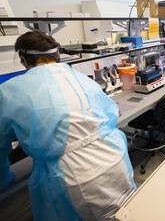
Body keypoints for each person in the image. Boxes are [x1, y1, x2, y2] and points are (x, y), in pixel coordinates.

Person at [0, 31, 137, 220]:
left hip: (73, 176)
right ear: (57, 55)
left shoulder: (9, 90)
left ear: (24, 59)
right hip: (114, 160)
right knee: (124, 214)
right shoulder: (82, 78)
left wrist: (3, 179)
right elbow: (111, 113)